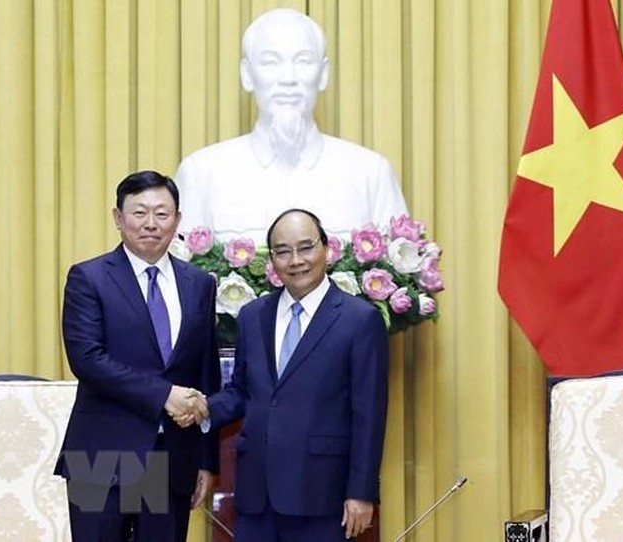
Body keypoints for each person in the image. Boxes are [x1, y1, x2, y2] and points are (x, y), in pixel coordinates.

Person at [197, 209, 389, 541]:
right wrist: (200, 409)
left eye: (305, 247)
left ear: (326, 249)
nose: (295, 260)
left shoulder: (360, 320)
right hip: (257, 496)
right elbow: (243, 392)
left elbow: (368, 414)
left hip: (322, 495)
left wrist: (361, 492)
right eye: (283, 251)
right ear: (271, 259)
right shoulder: (252, 316)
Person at [54, 170, 220, 542]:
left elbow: (206, 373)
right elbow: (87, 359)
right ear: (118, 218)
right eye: (139, 212)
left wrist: (206, 459)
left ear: (177, 220)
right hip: (99, 455)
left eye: (162, 214)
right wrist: (164, 395)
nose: (151, 223)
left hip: (171, 456)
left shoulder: (199, 284)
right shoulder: (89, 277)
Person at [175, 7, 408, 243]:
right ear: (247, 74)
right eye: (270, 62)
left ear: (324, 73)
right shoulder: (202, 174)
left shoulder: (370, 173)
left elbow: (401, 275)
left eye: (303, 61)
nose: (288, 78)